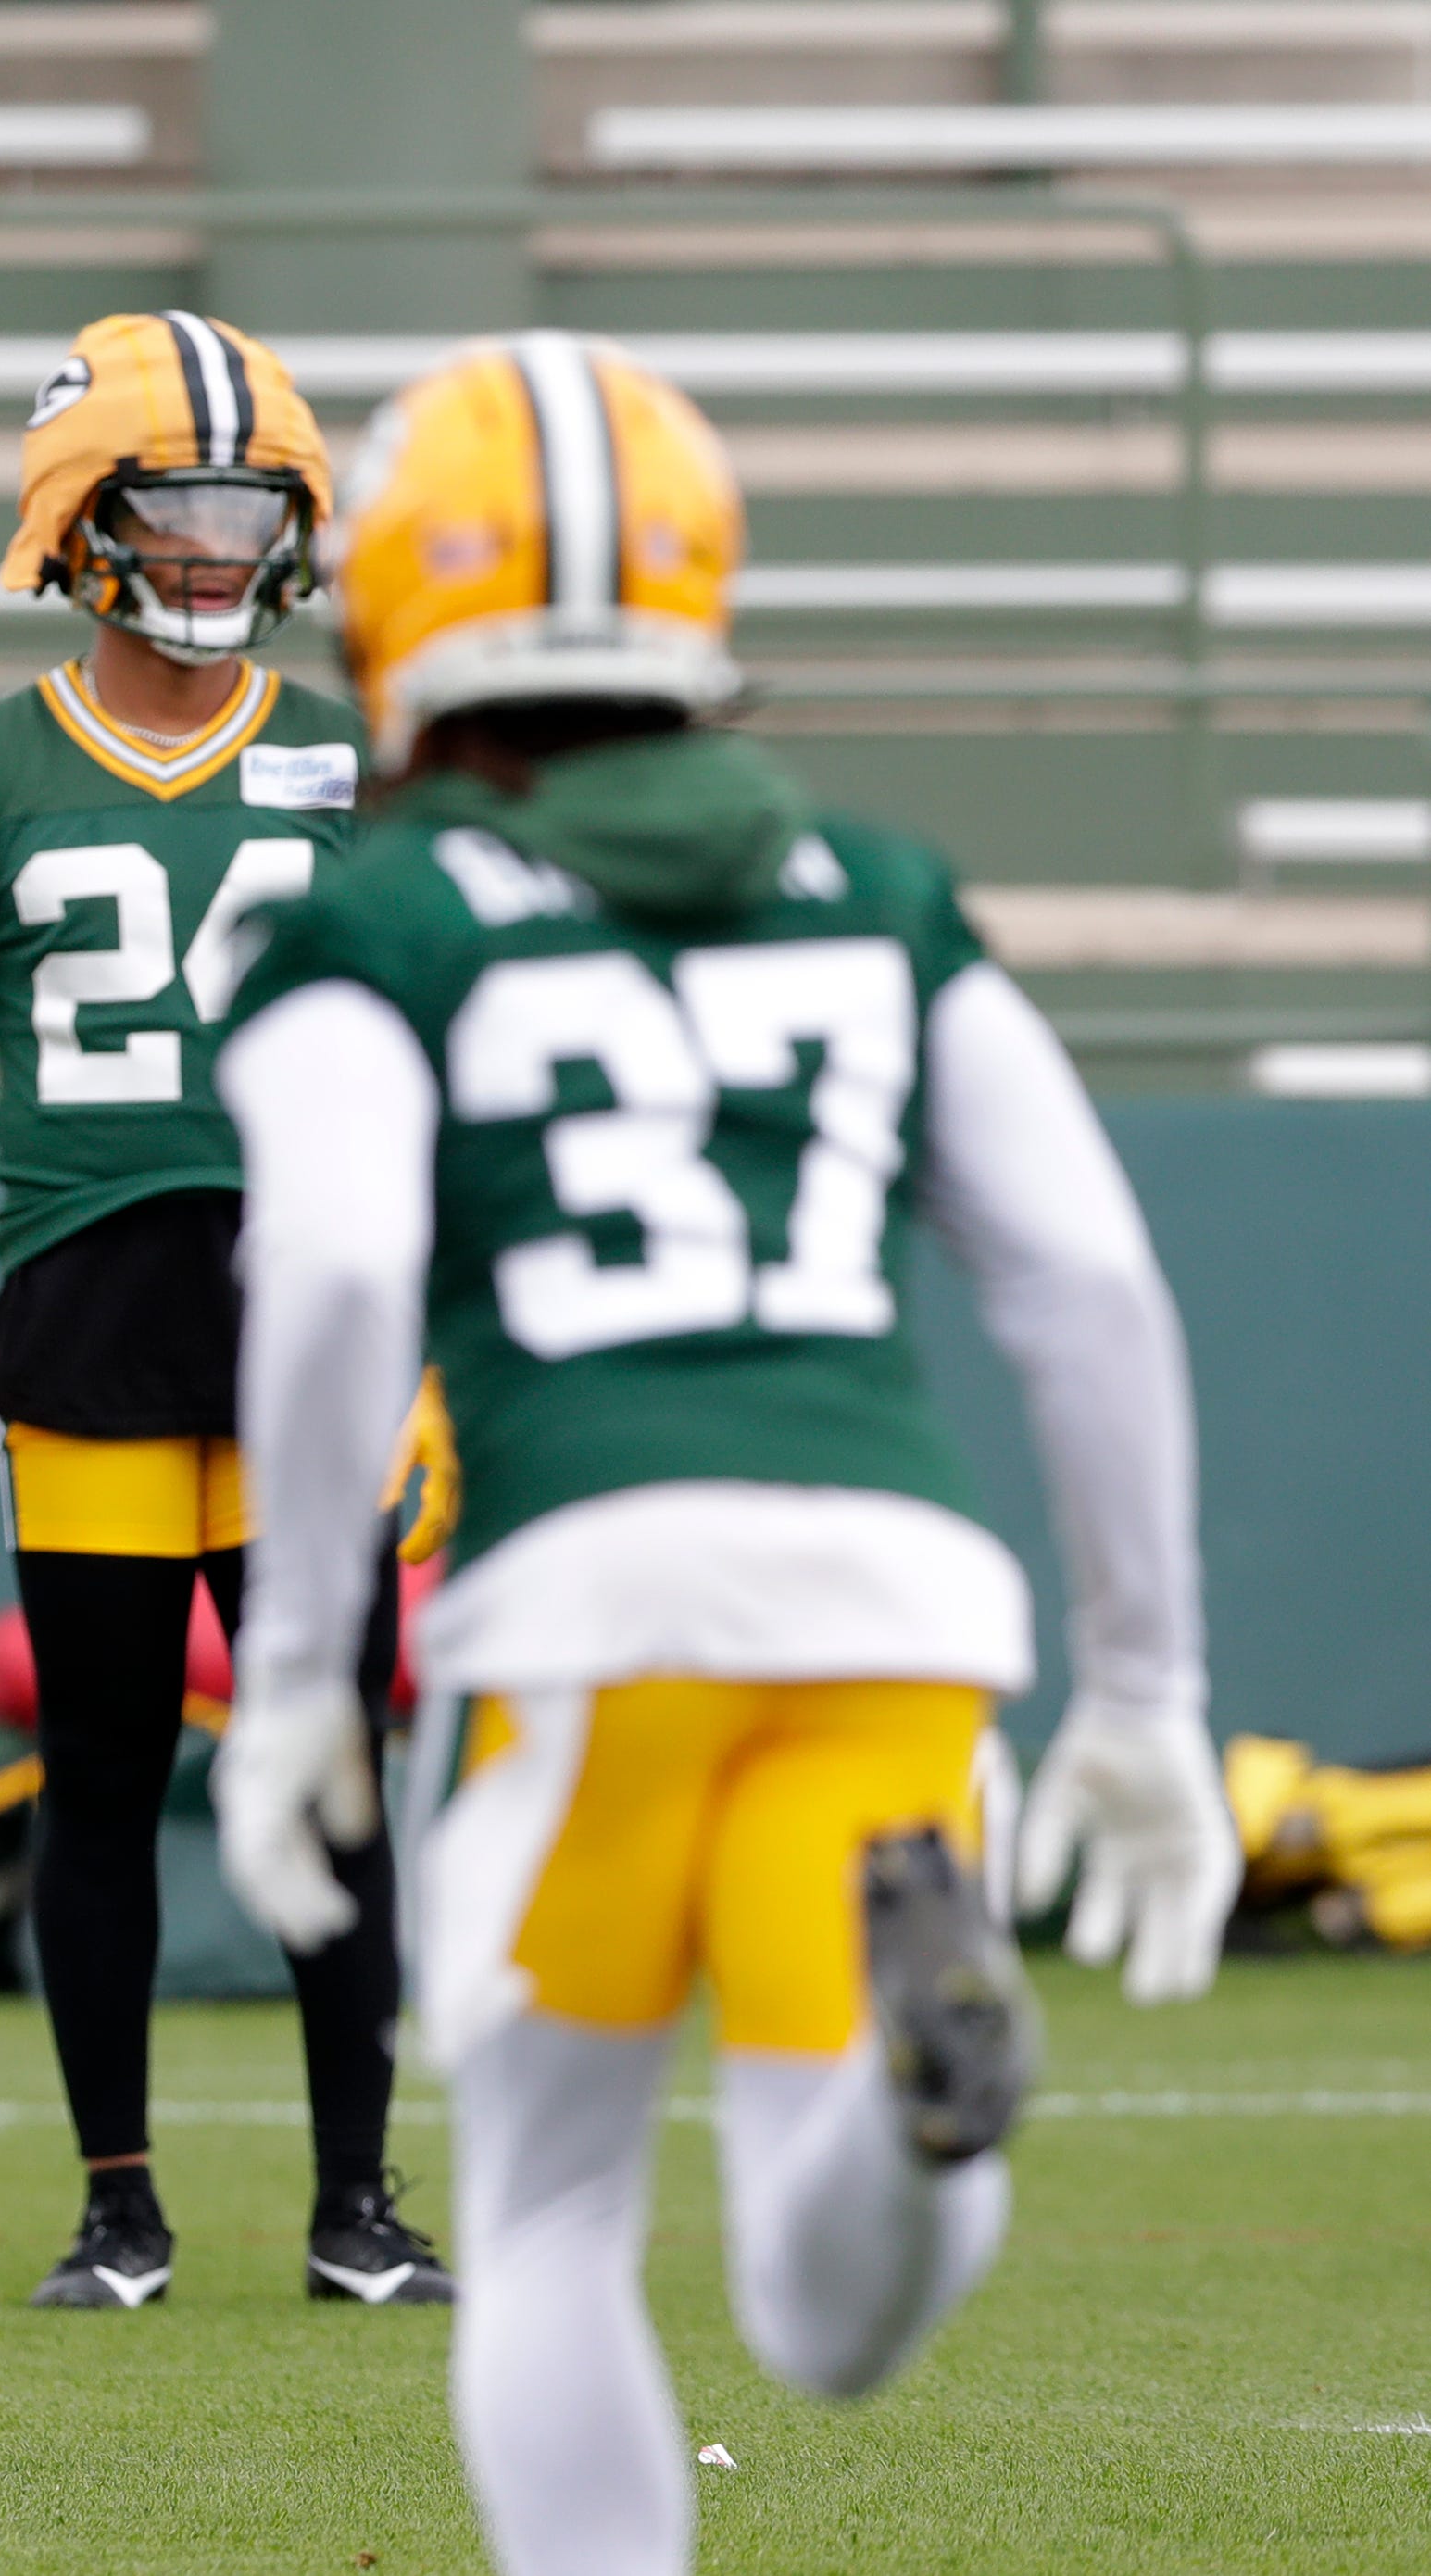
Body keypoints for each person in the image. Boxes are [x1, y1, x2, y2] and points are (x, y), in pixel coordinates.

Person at [209, 332, 1242, 2576]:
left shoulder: (367, 911)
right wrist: (1147, 1687)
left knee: (555, 2206)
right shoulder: (872, 882)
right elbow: (1085, 1278)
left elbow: (342, 1275)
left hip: (591, 1601)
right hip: (891, 1597)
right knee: (824, 2284)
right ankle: (914, 2101)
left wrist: (300, 1657)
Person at [0, 309, 450, 2311]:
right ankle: (119, 2200)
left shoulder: (357, 753)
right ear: (76, 521)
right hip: (89, 1311)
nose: (214, 557)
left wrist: (440, 1343)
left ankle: (357, 2200)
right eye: (177, 515)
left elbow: (442, 1054)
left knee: (326, 1760)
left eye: (246, 517)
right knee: (101, 1773)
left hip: (311, 1316)